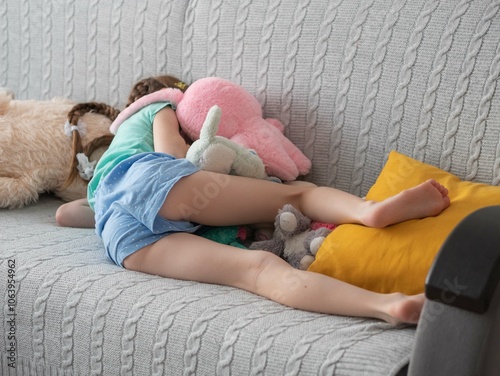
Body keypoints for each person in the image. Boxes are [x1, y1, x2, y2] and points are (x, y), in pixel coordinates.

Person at [56, 75, 451, 325]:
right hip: (155, 179)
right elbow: (171, 153)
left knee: (257, 272)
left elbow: (67, 214)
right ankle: (370, 211)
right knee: (301, 194)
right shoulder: (162, 106)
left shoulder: (106, 169)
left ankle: (389, 307)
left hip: (120, 237)